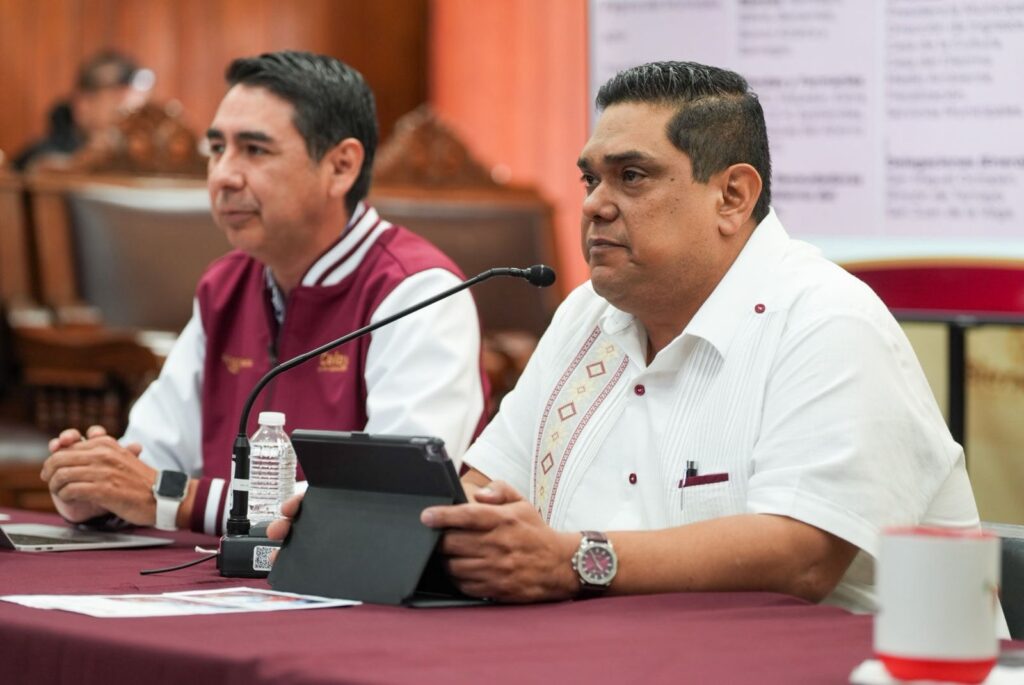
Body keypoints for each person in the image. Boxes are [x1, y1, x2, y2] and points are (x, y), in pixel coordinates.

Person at [271, 60, 985, 613]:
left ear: (732, 196)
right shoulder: (587, 315)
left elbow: (800, 556)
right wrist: (377, 519)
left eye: (632, 177)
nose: (594, 206)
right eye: (590, 180)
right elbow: (485, 487)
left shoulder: (828, 320)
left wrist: (574, 560)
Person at [41, 51, 488, 535]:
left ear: (340, 166)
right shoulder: (226, 285)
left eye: (254, 150)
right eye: (217, 148)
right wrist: (92, 485)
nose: (223, 176)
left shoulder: (418, 290)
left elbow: (390, 502)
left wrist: (175, 499)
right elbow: (148, 464)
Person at [13, 50, 151, 172]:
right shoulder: (41, 154)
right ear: (83, 104)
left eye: (138, 110)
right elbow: (41, 168)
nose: (129, 123)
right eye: (118, 110)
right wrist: (87, 161)